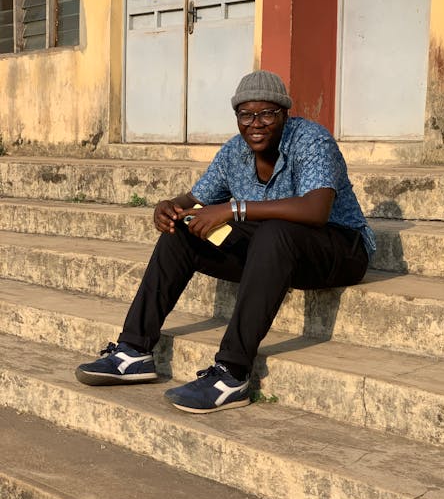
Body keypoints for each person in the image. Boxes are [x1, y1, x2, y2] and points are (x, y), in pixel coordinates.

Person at [76, 71, 376, 414]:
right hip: (273, 254)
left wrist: (234, 209)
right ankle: (133, 352)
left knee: (273, 231)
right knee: (183, 232)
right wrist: (169, 208)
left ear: (284, 113)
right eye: (246, 115)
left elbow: (315, 209)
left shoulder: (311, 139)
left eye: (267, 114)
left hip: (340, 250)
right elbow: (193, 199)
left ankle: (231, 376)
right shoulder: (235, 151)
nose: (256, 124)